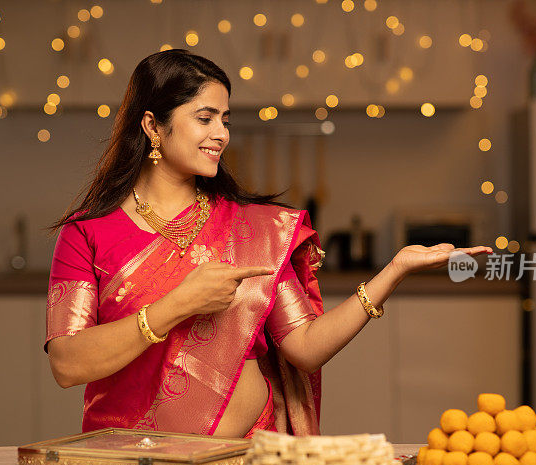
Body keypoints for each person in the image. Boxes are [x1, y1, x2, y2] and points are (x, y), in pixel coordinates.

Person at [44, 49, 492, 439]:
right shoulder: (88, 233)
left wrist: (393, 271)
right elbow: (67, 363)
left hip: (244, 464)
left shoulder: (258, 230)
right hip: (126, 464)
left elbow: (305, 346)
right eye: (204, 118)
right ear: (153, 126)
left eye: (225, 119)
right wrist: (179, 304)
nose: (221, 133)